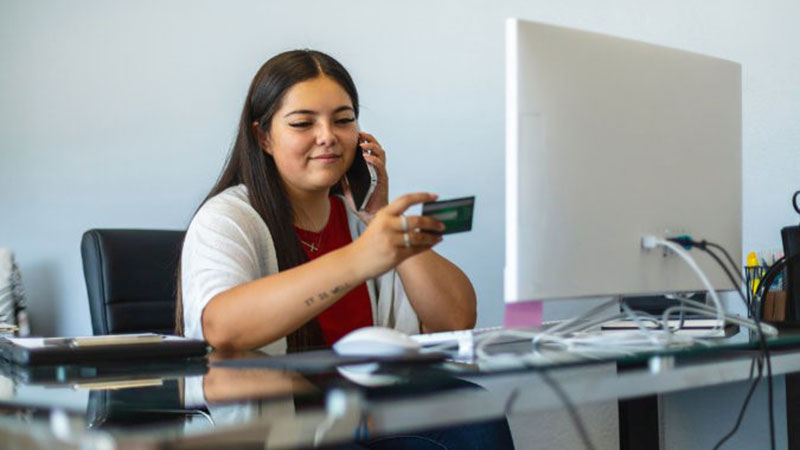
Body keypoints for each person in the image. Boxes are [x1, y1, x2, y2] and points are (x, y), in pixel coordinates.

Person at [177, 49, 514, 449]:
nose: (328, 136)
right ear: (263, 136)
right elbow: (222, 329)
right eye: (303, 123)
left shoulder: (359, 221)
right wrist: (359, 259)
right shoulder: (228, 218)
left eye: (343, 120)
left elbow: (454, 319)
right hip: (289, 428)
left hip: (363, 413)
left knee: (476, 410)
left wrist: (379, 215)